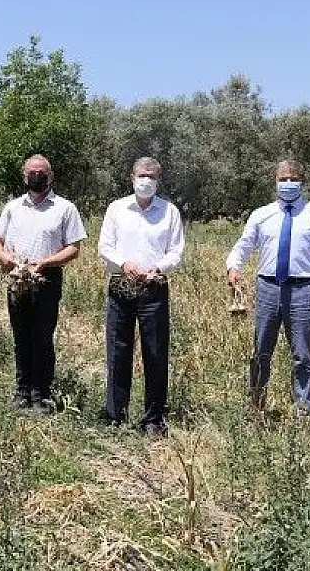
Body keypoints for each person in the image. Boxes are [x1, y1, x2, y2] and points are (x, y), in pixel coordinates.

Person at [225, 159, 310, 418]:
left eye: (293, 178)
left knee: (303, 355)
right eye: (283, 179)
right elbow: (244, 244)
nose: (288, 183)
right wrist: (233, 267)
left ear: (301, 181)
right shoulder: (261, 215)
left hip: (303, 289)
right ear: (275, 180)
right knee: (261, 351)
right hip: (267, 288)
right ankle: (256, 408)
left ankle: (303, 412)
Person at [0, 154, 87, 415]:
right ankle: (22, 391)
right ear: (24, 175)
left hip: (47, 278)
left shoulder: (65, 208)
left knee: (42, 338)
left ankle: (41, 394)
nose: (36, 175)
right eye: (32, 171)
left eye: (41, 172)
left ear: (50, 176)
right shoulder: (13, 208)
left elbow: (74, 248)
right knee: (21, 336)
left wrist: (47, 261)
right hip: (18, 279)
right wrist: (6, 259)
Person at [98, 157, 185, 437]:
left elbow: (176, 251)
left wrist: (158, 268)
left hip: (154, 286)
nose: (145, 180)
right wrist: (124, 264)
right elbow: (105, 247)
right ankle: (115, 416)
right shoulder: (116, 209)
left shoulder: (169, 211)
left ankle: (153, 419)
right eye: (141, 175)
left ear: (159, 180)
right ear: (131, 177)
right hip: (121, 284)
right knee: (118, 350)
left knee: (156, 353)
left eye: (151, 175)